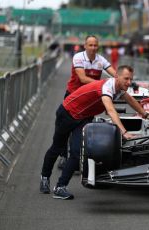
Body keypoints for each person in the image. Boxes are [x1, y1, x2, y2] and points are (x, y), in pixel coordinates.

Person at [40, 65, 149, 199]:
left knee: (76, 152)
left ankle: (60, 187)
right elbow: (110, 110)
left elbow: (131, 100)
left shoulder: (119, 89)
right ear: (116, 76)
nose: (129, 82)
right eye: (126, 78)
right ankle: (45, 177)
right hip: (67, 113)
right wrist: (123, 131)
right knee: (57, 148)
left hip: (83, 118)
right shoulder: (107, 87)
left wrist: (146, 115)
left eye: (130, 79)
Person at [58, 35, 117, 169]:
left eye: (95, 45)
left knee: (83, 130)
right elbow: (83, 79)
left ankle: (77, 158)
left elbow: (115, 75)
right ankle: (63, 156)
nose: (93, 48)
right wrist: (103, 84)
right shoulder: (78, 57)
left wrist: (124, 80)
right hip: (73, 97)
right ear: (85, 46)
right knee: (66, 129)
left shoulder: (101, 60)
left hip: (89, 100)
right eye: (90, 45)